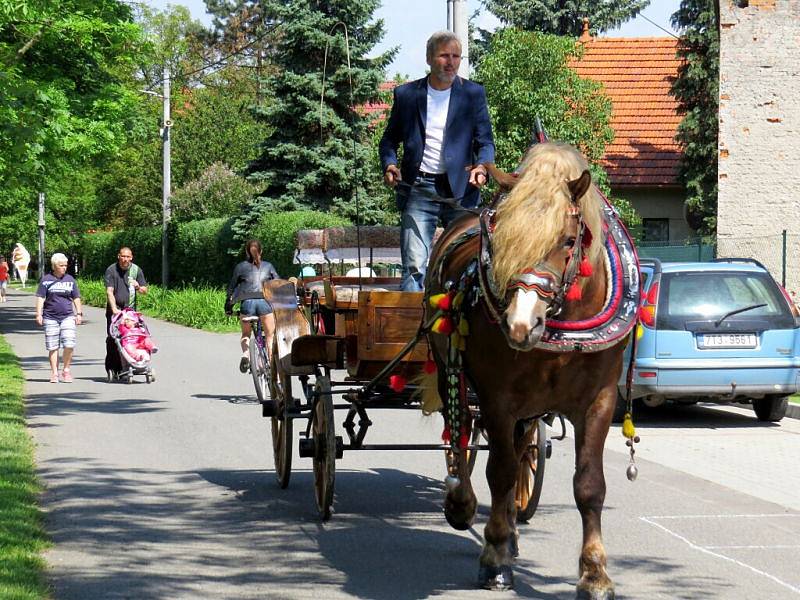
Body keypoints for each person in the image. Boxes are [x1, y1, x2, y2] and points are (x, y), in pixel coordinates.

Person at [379, 30, 495, 291]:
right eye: (444, 55)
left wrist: (481, 167)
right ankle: (413, 327)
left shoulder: (473, 94)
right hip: (419, 188)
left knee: (467, 266)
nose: (451, 62)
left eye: (456, 56)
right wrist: (389, 164)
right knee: (414, 266)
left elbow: (485, 142)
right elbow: (388, 141)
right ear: (430, 58)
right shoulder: (407, 95)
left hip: (462, 191)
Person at [225, 239, 279, 373]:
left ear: (246, 251)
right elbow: (278, 284)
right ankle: (271, 370)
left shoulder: (240, 267)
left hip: (246, 304)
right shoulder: (269, 266)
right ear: (261, 251)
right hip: (264, 303)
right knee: (270, 336)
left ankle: (246, 355)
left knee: (245, 334)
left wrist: (228, 307)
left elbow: (231, 288)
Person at [34, 253, 82, 383]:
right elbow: (40, 297)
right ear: (54, 266)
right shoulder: (46, 280)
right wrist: (39, 314)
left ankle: (66, 370)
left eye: (65, 265)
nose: (64, 268)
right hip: (50, 317)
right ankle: (54, 373)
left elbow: (76, 297)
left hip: (67, 316)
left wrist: (79, 313)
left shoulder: (70, 280)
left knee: (69, 344)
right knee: (53, 346)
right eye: (61, 265)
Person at [104, 247, 147, 374]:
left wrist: (138, 286)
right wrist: (114, 309)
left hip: (130, 312)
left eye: (128, 257)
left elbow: (145, 290)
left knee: (131, 337)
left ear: (131, 257)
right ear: (119, 256)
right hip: (115, 311)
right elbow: (109, 291)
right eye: (123, 256)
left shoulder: (136, 270)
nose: (125, 259)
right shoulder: (111, 270)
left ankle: (131, 364)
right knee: (113, 338)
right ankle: (113, 367)